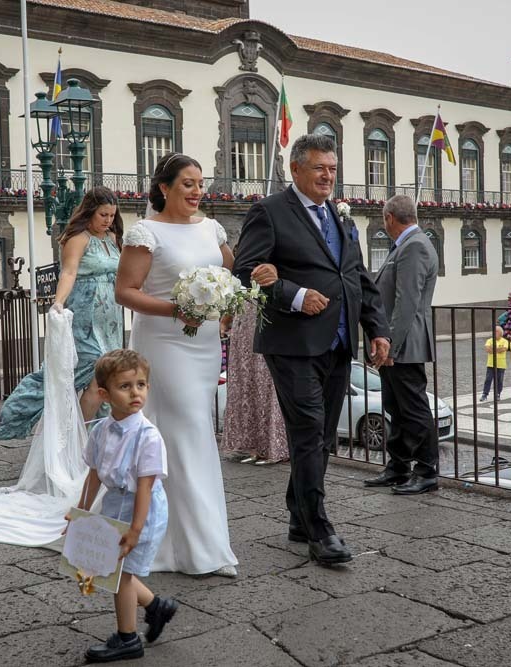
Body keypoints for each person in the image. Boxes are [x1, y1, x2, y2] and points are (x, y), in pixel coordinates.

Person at [233, 133, 391, 566]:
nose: (328, 176)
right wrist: (295, 295)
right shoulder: (269, 211)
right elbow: (246, 270)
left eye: (333, 169)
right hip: (293, 342)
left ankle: (298, 516)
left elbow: (357, 276)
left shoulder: (341, 217)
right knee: (308, 431)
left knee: (321, 436)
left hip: (339, 342)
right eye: (319, 168)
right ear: (296, 170)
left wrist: (377, 329)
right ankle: (320, 528)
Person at [116, 152, 239, 577]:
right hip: (165, 343)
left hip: (204, 345)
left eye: (200, 184)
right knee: (189, 430)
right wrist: (175, 309)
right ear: (164, 188)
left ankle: (172, 537)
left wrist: (227, 303)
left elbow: (227, 271)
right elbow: (125, 292)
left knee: (192, 430)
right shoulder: (145, 233)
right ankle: (198, 549)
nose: (196, 191)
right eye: (187, 183)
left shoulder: (212, 228)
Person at [68, 349, 178, 663]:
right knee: (113, 568)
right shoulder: (101, 430)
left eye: (141, 385)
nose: (135, 393)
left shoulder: (148, 436)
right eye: (125, 386)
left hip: (142, 510)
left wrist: (135, 530)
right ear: (104, 394)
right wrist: (81, 512)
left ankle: (127, 639)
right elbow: (93, 475)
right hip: (115, 504)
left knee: (120, 575)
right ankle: (157, 607)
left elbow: (145, 487)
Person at [0, 187, 124, 440]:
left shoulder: (112, 238)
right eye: (103, 214)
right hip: (86, 314)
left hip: (111, 317)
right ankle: (80, 438)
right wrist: (58, 303)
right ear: (90, 212)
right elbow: (68, 272)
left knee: (106, 376)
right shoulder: (78, 238)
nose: (108, 220)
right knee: (92, 370)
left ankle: (93, 435)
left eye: (111, 215)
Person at [363, 195, 440, 495]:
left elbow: (406, 302)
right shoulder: (407, 246)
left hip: (405, 344)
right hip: (398, 343)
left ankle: (426, 470)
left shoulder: (415, 246)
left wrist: (390, 346)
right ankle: (398, 467)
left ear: (389, 218)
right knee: (395, 405)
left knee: (414, 407)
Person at [220, 300, 289, 465]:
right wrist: (225, 320)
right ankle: (256, 448)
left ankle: (274, 447)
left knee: (265, 382)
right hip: (244, 319)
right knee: (247, 382)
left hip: (266, 315)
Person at [480, 326, 509, 402]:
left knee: (499, 380)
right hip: (491, 364)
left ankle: (497, 394)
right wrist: (497, 350)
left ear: (500, 333)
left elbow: (504, 349)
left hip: (501, 364)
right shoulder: (489, 340)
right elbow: (487, 349)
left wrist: (493, 349)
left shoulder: (505, 341)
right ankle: (485, 394)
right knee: (488, 379)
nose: (494, 333)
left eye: (496, 331)